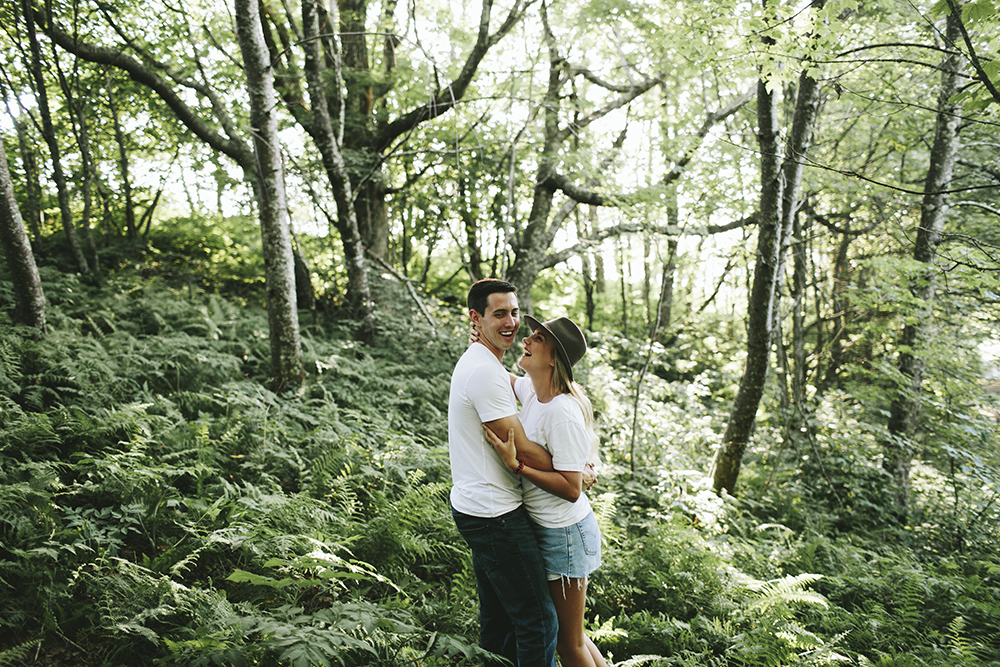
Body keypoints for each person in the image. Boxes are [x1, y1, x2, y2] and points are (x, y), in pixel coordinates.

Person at [482, 314, 607, 667]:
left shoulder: (562, 412)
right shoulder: (534, 391)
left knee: (568, 645)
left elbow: (571, 488)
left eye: (537, 338)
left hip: (564, 537)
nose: (526, 340)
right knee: (575, 637)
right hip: (555, 531)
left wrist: (517, 466)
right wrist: (481, 337)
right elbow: (494, 377)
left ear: (553, 358)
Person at [448, 278, 560, 667]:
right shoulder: (483, 371)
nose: (511, 321)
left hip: (478, 506)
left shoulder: (483, 363)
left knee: (500, 620)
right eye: (500, 314)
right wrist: (570, 466)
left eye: (514, 312)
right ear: (475, 318)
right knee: (539, 622)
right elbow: (523, 449)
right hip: (495, 514)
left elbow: (526, 388)